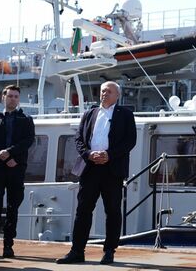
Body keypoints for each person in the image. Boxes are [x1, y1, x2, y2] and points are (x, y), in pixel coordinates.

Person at [57, 81, 136, 265]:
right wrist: (88, 154)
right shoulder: (89, 113)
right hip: (90, 168)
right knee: (83, 210)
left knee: (113, 211)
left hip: (112, 169)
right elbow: (78, 139)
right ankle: (77, 251)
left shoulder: (125, 114)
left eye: (108, 91)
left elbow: (130, 141)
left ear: (117, 95)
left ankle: (109, 251)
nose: (104, 94)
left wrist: (109, 155)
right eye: (102, 91)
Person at [0, 85, 34, 259]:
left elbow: (28, 141)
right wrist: (5, 157)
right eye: (10, 96)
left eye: (16, 96)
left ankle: (8, 245)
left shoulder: (26, 119)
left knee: (13, 207)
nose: (13, 99)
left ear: (18, 99)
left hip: (16, 168)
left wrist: (10, 153)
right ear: (3, 97)